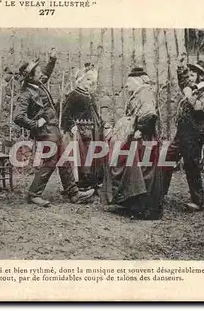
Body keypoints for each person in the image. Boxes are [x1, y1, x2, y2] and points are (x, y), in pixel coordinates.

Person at [13, 48, 94, 207]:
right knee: (50, 161)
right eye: (37, 71)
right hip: (44, 133)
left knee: (63, 160)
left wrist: (52, 59)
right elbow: (18, 116)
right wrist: (35, 124)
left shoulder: (37, 83)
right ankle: (33, 194)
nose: (40, 72)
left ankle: (74, 194)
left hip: (53, 130)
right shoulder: (25, 94)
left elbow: (46, 72)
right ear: (31, 76)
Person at [101, 67, 165, 220]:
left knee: (142, 171)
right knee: (135, 170)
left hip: (143, 138)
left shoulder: (145, 93)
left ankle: (144, 209)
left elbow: (150, 114)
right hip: (139, 136)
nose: (127, 86)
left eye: (129, 82)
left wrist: (140, 130)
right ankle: (133, 205)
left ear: (137, 81)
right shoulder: (140, 93)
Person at [164, 59, 204, 211]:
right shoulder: (194, 87)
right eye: (190, 75)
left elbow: (201, 109)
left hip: (195, 133)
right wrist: (180, 67)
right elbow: (184, 81)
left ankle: (197, 202)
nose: (190, 78)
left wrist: (190, 95)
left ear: (202, 77)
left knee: (191, 165)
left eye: (193, 75)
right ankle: (159, 193)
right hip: (183, 132)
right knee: (166, 159)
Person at [61, 66, 104, 191]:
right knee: (82, 156)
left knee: (93, 155)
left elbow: (95, 111)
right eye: (87, 79)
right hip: (80, 131)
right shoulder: (73, 95)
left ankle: (93, 181)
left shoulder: (90, 95)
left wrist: (100, 123)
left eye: (91, 80)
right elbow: (66, 113)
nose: (90, 82)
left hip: (92, 129)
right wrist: (71, 126)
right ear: (80, 80)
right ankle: (82, 183)